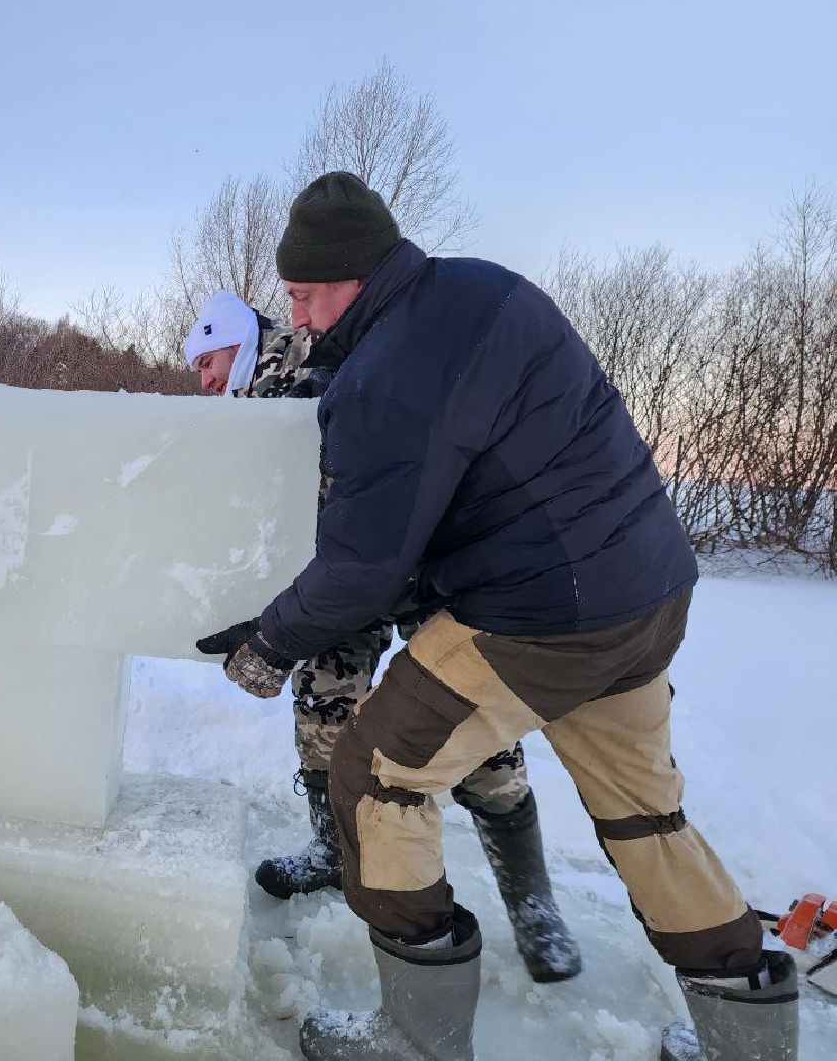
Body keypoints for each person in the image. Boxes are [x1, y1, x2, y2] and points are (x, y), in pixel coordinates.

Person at [196, 175, 797, 1061]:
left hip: (540, 615)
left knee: (374, 771)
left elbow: (363, 568)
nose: (299, 316)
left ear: (357, 274)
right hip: (648, 593)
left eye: (306, 294)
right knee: (644, 813)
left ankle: (417, 1035)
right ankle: (745, 1038)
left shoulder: (383, 375)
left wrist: (268, 643)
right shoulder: (488, 287)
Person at [185, 291, 580, 986]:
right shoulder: (246, 403)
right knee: (321, 709)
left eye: (206, 361)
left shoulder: (312, 357)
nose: (203, 379)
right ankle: (332, 850)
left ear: (236, 340)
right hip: (342, 581)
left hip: (428, 568)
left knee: (470, 724)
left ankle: (532, 903)